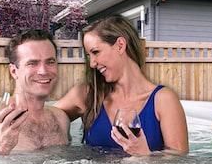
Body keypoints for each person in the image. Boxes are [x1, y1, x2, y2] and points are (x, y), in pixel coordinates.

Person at [56, 16, 188, 155]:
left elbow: (179, 161)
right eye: (89, 56)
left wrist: (145, 155)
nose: (92, 64)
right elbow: (44, 118)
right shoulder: (88, 95)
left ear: (120, 45)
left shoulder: (163, 100)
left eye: (95, 52)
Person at [0, 30, 70, 155]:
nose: (43, 71)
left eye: (50, 62)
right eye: (32, 63)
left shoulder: (60, 118)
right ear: (14, 71)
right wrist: (3, 144)